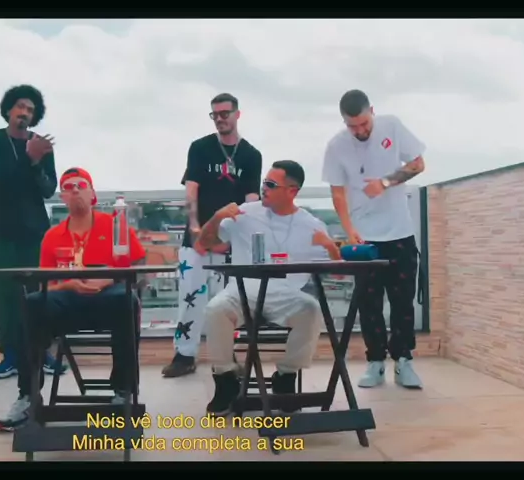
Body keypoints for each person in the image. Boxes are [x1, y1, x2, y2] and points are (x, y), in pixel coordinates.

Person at [0, 167, 147, 432]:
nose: (75, 190)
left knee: (127, 300)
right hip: (66, 302)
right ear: (62, 198)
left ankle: (124, 392)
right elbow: (45, 283)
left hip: (107, 299)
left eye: (81, 185)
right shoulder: (52, 236)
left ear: (93, 194)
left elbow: (139, 267)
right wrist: (69, 283)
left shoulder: (115, 226)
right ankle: (28, 395)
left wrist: (107, 280)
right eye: (68, 187)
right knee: (32, 303)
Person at [194, 160, 341, 416]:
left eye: (271, 184)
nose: (264, 188)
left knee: (311, 310)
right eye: (264, 182)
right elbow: (204, 243)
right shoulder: (244, 213)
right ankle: (226, 379)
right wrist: (217, 217)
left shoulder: (312, 225)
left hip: (287, 295)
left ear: (292, 191)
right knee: (215, 310)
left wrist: (330, 247)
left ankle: (285, 376)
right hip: (242, 291)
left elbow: (337, 270)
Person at [321, 89, 426, 389]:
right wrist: (348, 229)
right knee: (368, 303)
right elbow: (337, 193)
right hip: (364, 236)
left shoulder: (392, 126)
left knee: (403, 302)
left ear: (372, 112)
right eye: (352, 126)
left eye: (364, 123)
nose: (360, 131)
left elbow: (418, 164)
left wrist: (385, 182)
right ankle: (375, 362)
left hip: (399, 231)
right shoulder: (336, 146)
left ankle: (404, 360)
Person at [163, 93, 263, 378]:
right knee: (190, 296)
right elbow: (191, 190)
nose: (220, 119)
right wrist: (195, 227)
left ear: (237, 114)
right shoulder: (201, 148)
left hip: (230, 240)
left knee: (226, 301)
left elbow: (251, 201)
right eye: (215, 115)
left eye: (224, 114)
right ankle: (184, 354)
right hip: (197, 240)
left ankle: (225, 356)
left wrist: (237, 238)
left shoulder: (251, 155)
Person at [0, 84, 68, 380]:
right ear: (8, 110)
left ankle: (42, 353)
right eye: (20, 107)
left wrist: (37, 161)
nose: (24, 113)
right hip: (1, 232)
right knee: (5, 295)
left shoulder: (41, 146)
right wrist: (28, 159)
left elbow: (48, 188)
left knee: (37, 294)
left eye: (30, 109)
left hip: (35, 232)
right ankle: (11, 356)